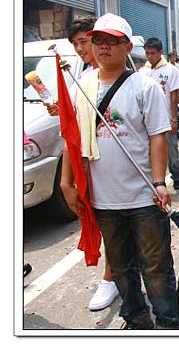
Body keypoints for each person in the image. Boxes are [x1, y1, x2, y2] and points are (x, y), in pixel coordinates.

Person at [60, 13, 179, 329]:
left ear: (127, 46)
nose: (103, 47)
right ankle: (137, 319)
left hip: (143, 199)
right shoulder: (82, 85)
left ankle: (169, 323)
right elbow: (71, 138)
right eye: (98, 40)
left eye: (112, 41)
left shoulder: (145, 86)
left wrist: (159, 182)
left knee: (155, 267)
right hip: (103, 201)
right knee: (121, 267)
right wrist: (67, 182)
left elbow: (158, 135)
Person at [43, 16, 120, 313]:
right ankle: (115, 276)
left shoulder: (116, 78)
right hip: (92, 168)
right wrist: (66, 180)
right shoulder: (84, 79)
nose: (79, 48)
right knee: (108, 224)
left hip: (118, 169)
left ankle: (112, 278)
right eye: (75, 44)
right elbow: (72, 135)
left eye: (83, 42)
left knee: (116, 226)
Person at [139, 37, 179, 190]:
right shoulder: (143, 71)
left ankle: (176, 177)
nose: (150, 56)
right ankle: (156, 182)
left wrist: (173, 119)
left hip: (165, 118)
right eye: (147, 53)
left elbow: (173, 95)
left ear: (160, 52)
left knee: (171, 151)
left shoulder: (170, 70)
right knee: (148, 153)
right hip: (146, 120)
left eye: (153, 53)